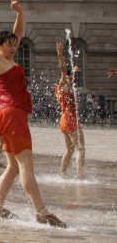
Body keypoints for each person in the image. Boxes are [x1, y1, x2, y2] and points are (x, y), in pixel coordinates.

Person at [0, 0, 66, 227]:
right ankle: (41, 211)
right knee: (25, 166)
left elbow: (18, 32)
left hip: (11, 115)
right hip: (12, 115)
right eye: (8, 44)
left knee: (12, 167)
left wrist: (19, 13)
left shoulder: (9, 59)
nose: (13, 47)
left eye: (14, 44)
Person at [55, 40, 85, 179]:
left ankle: (62, 174)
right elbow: (63, 69)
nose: (72, 79)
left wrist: (72, 71)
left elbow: (66, 74)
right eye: (70, 77)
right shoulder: (64, 84)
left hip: (64, 120)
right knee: (80, 148)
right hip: (71, 119)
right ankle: (80, 176)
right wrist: (60, 53)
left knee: (70, 150)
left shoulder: (59, 89)